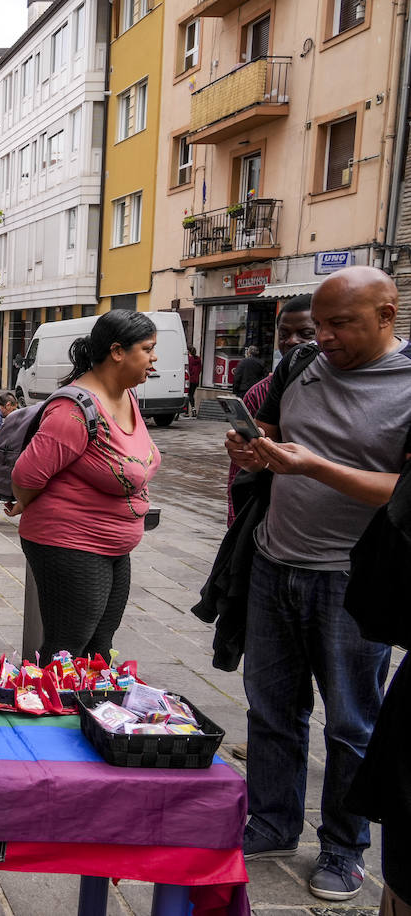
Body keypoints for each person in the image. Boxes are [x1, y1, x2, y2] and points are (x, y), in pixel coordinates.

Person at [225, 265, 411, 901]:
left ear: (387, 315)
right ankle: (273, 821)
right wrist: (257, 446)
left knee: (352, 723)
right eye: (321, 324)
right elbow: (277, 433)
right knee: (271, 708)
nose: (324, 336)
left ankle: (343, 847)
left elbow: (404, 494)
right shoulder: (301, 364)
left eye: (341, 324)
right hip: (276, 560)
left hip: (352, 581)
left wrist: (316, 467)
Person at [8, 311, 161, 660]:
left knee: (99, 647)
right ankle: (45, 710)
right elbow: (26, 477)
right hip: (70, 542)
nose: (154, 358)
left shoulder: (127, 398)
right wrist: (31, 502)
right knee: (68, 646)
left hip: (113, 544)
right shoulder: (73, 411)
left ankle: (85, 712)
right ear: (118, 351)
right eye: (148, 348)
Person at [225, 296, 317, 525]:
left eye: (306, 334)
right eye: (283, 335)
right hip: (272, 515)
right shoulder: (260, 393)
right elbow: (244, 469)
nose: (293, 342)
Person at [186, 346, 203, 417]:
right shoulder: (198, 359)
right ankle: (193, 409)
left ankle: (187, 411)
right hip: (196, 380)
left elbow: (188, 369)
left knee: (187, 395)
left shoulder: (189, 359)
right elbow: (200, 370)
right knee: (191, 395)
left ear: (189, 352)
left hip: (190, 380)